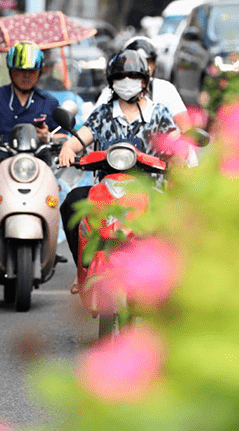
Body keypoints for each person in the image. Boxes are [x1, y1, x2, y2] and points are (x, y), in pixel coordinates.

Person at [57, 50, 181, 281]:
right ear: (112, 82)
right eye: (120, 76)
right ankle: (82, 270)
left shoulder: (159, 113)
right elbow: (79, 139)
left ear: (144, 80)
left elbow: (175, 145)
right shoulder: (103, 114)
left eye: (133, 76)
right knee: (72, 203)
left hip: (148, 190)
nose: (127, 82)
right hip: (104, 193)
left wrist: (177, 161)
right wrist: (67, 149)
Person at [0, 41, 60, 144]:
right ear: (11, 70)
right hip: (0, 155)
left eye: (32, 71)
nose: (27, 75)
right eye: (21, 70)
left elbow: (63, 135)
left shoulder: (49, 101)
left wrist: (48, 137)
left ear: (39, 71)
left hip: (38, 157)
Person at [95, 36, 192, 133]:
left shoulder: (165, 90)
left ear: (154, 65)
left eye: (148, 62)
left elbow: (185, 128)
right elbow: (93, 127)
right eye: (136, 63)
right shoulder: (110, 92)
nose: (143, 68)